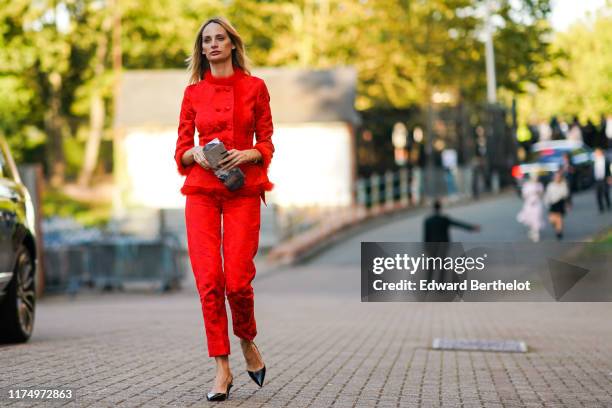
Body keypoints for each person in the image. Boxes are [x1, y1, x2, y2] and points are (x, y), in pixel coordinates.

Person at [174, 17, 272, 401]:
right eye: (206, 40)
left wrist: (249, 153)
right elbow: (180, 150)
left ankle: (247, 340)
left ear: (232, 44)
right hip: (201, 191)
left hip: (243, 190)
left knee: (237, 281)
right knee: (209, 282)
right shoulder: (193, 93)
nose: (213, 44)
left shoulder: (255, 88)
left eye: (220, 38)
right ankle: (221, 367)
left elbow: (266, 141)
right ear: (201, 50)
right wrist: (194, 152)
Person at [516, 173, 544, 242]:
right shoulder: (527, 185)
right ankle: (532, 231)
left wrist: (538, 192)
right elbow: (524, 195)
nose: (535, 178)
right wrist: (530, 194)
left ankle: (536, 234)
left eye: (536, 177)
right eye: (534, 177)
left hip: (537, 204)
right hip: (528, 204)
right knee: (530, 219)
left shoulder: (539, 185)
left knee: (536, 218)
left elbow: (542, 195)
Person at [544, 171, 569, 240]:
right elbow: (547, 195)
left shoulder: (563, 185)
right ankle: (558, 227)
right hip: (552, 204)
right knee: (552, 220)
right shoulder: (550, 185)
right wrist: (546, 202)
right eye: (556, 177)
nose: (557, 178)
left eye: (558, 177)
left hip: (560, 203)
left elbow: (565, 194)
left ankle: (559, 233)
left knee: (559, 219)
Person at [593, 148, 611, 213]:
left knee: (606, 193)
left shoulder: (606, 160)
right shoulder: (595, 160)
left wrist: (609, 177)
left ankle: (608, 204)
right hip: (597, 180)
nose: (595, 154)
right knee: (598, 194)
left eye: (596, 152)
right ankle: (601, 208)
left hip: (604, 179)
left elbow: (609, 169)